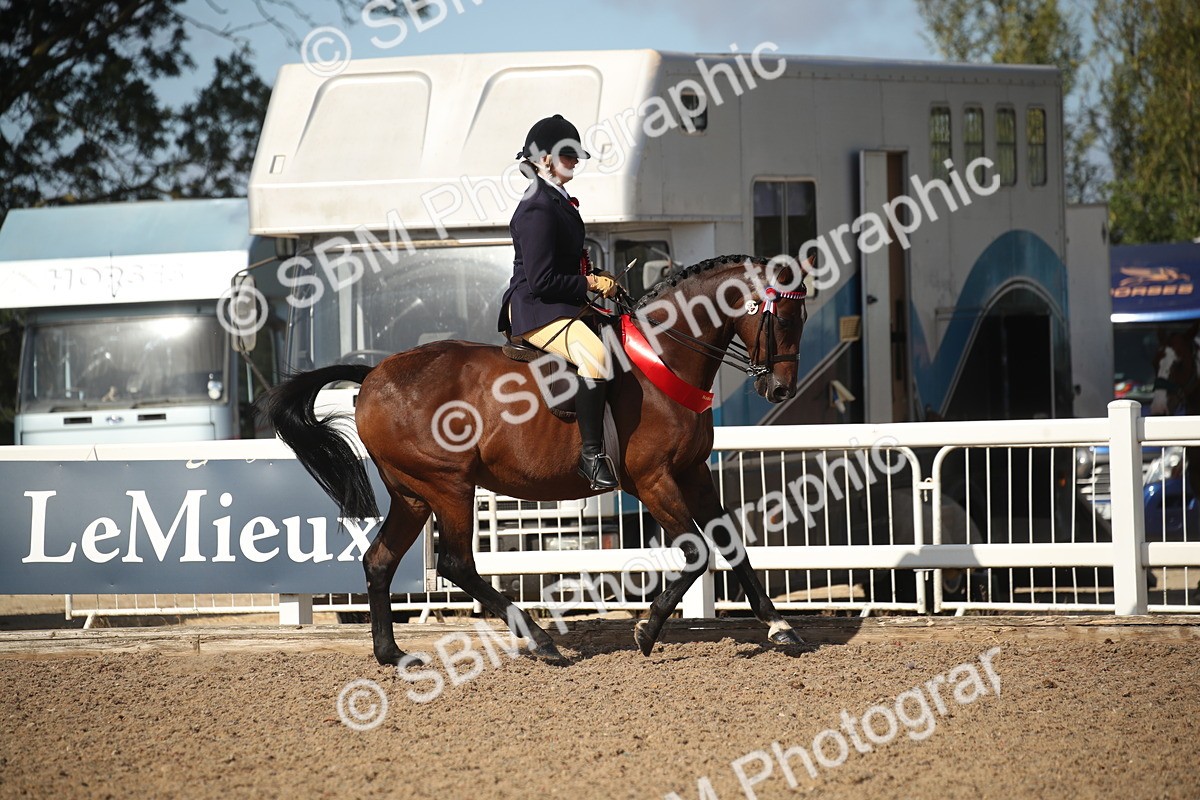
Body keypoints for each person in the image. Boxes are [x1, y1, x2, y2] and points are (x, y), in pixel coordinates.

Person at [496, 114, 620, 490]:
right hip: (538, 307)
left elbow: (563, 261)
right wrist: (590, 282)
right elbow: (542, 279)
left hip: (559, 304)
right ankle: (591, 455)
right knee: (596, 357)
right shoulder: (537, 205)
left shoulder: (556, 200)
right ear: (544, 158)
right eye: (568, 154)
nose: (576, 161)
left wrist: (597, 276)